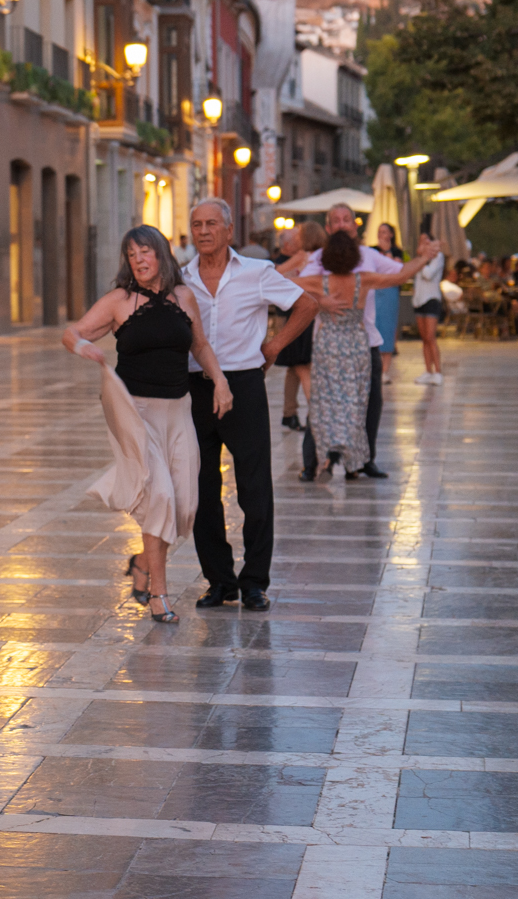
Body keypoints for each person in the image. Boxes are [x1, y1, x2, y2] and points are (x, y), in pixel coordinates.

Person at [65, 226, 231, 624]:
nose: (138, 260)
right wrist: (83, 346)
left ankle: (142, 561)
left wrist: (220, 381)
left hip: (179, 411)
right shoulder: (120, 301)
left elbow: (200, 345)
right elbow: (73, 331)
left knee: (185, 504)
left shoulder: (184, 296)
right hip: (134, 411)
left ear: (162, 255)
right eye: (131, 254)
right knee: (159, 498)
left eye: (145, 252)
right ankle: (159, 594)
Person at [180, 198, 318, 611]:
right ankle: (219, 581)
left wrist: (274, 345)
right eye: (196, 225)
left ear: (228, 231)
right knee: (203, 490)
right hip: (196, 387)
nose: (203, 231)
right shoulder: (181, 278)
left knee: (255, 488)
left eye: (211, 224)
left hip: (244, 383)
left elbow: (306, 304)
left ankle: (255, 581)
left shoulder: (258, 273)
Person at [299, 204, 439, 480]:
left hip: (364, 341)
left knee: (366, 403)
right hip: (337, 341)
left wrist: (422, 258)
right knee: (332, 401)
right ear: (328, 227)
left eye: (346, 219)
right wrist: (320, 302)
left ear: (355, 224)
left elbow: (399, 271)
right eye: (335, 220)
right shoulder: (317, 259)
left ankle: (362, 461)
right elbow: (295, 290)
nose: (341, 224)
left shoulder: (369, 257)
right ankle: (314, 461)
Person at [274, 221, 325, 431]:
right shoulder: (320, 257)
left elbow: (275, 275)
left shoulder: (307, 257)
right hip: (308, 317)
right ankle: (293, 413)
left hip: (301, 317)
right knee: (298, 368)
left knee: (302, 368)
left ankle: (315, 414)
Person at [410, 244, 450, 385]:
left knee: (430, 336)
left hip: (432, 299)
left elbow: (428, 274)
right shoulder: (420, 259)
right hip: (419, 301)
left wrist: (422, 260)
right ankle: (428, 371)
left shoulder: (437, 257)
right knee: (424, 338)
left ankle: (438, 371)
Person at [371, 223, 405, 381]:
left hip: (390, 292)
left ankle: (385, 370)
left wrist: (386, 251)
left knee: (388, 327)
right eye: (379, 231)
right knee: (373, 325)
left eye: (384, 231)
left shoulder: (396, 252)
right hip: (374, 291)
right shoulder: (371, 251)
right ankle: (374, 368)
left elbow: (395, 269)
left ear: (391, 234)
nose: (381, 234)